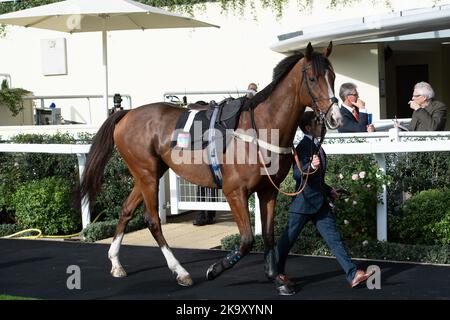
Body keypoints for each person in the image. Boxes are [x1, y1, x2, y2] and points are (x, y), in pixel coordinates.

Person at [274, 111, 375, 296]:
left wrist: (329, 191)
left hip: (319, 203)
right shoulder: (303, 146)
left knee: (335, 239)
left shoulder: (316, 144)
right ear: (308, 128)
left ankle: (352, 274)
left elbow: (317, 178)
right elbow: (298, 174)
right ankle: (275, 271)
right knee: (286, 242)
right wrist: (310, 167)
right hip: (303, 204)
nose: (321, 125)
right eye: (317, 123)